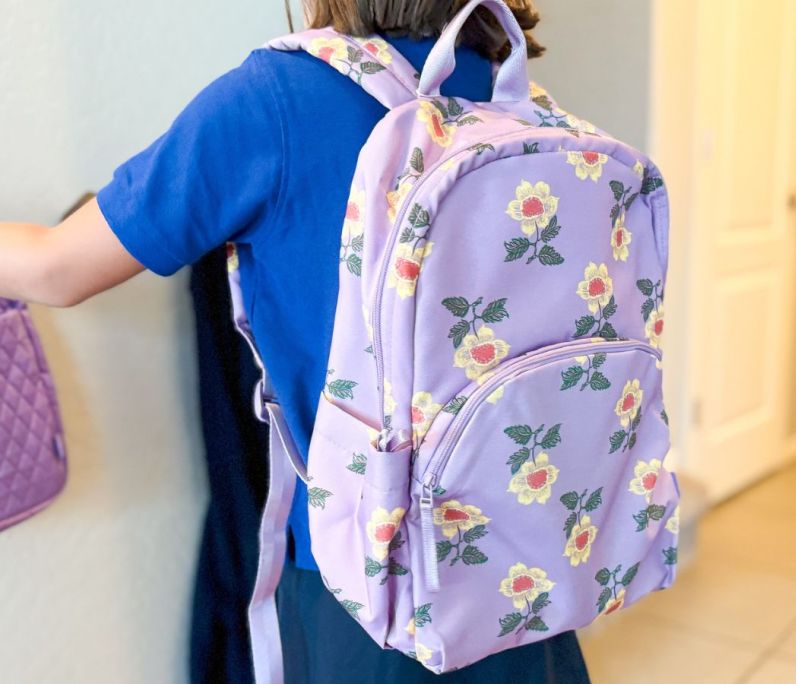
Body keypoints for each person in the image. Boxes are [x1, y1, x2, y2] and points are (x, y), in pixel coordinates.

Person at [0, 1, 591, 681]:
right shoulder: (517, 100)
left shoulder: (277, 101)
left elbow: (57, 268)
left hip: (375, 596)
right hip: (532, 562)